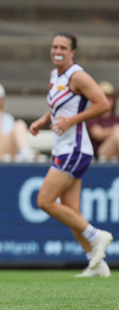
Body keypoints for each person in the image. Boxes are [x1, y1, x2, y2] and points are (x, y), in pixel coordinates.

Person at [29, 32, 113, 278]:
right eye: (54, 46)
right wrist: (43, 120)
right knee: (70, 210)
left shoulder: (78, 76)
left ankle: (96, 236)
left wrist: (72, 121)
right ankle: (95, 263)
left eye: (63, 47)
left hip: (75, 149)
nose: (58, 50)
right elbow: (56, 105)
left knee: (43, 201)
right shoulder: (55, 75)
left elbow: (102, 104)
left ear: (72, 51)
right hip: (63, 148)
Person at [86, 81, 119, 160]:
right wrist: (115, 130)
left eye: (109, 97)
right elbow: (98, 134)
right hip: (99, 154)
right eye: (104, 97)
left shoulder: (116, 118)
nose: (107, 100)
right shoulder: (92, 117)